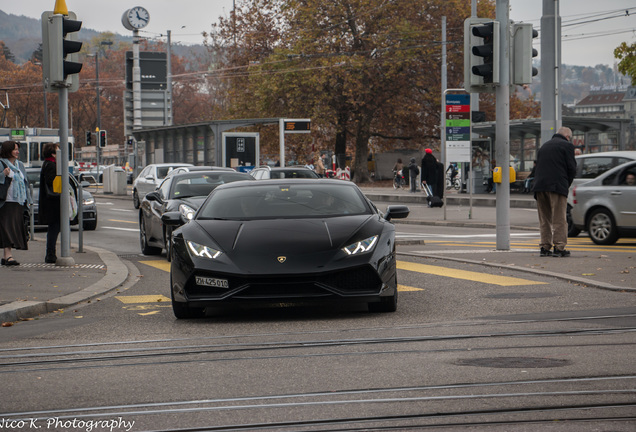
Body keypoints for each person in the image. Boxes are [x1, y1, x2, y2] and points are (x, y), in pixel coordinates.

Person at [532, 126, 577, 258]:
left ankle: (545, 247)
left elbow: (536, 168)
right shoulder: (567, 146)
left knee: (544, 219)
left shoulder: (544, 147)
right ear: (567, 136)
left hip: (540, 187)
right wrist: (566, 184)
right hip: (556, 186)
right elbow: (572, 169)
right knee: (559, 218)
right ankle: (559, 247)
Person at [0, 141, 32, 266]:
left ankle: (5, 256)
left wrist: (28, 201)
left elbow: (25, 183)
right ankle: (8, 256)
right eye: (15, 149)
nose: (17, 152)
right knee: (6, 228)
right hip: (5, 202)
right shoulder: (1, 164)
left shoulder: (20, 165)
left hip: (18, 202)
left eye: (18, 149)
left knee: (13, 229)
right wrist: (3, 174)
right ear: (8, 150)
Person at [39, 143, 61, 263]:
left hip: (50, 202)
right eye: (58, 151)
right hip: (53, 202)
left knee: (54, 228)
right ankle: (50, 254)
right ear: (53, 153)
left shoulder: (47, 163)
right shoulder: (51, 165)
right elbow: (52, 183)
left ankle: (51, 253)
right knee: (54, 228)